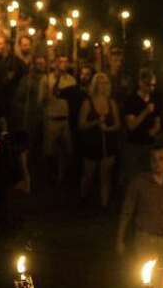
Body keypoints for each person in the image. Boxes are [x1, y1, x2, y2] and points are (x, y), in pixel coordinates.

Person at [78, 72, 125, 208]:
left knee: (106, 176)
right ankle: (83, 197)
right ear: (95, 85)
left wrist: (108, 129)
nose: (103, 86)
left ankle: (104, 206)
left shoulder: (112, 103)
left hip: (108, 144)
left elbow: (117, 124)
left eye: (105, 83)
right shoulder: (88, 103)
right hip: (92, 143)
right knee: (89, 174)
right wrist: (95, 123)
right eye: (100, 83)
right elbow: (80, 125)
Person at [122, 68, 162, 192]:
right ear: (140, 83)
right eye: (148, 84)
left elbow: (158, 121)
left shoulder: (154, 99)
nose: (151, 88)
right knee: (134, 180)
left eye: (153, 85)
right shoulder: (131, 100)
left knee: (148, 180)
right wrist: (145, 111)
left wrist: (154, 130)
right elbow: (131, 125)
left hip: (149, 145)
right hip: (134, 145)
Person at [42, 55, 77, 185]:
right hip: (52, 119)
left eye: (65, 61)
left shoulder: (71, 80)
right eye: (60, 61)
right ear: (56, 63)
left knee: (67, 150)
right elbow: (42, 100)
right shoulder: (47, 79)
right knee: (50, 151)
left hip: (65, 119)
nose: (63, 64)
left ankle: (62, 176)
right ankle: (51, 175)